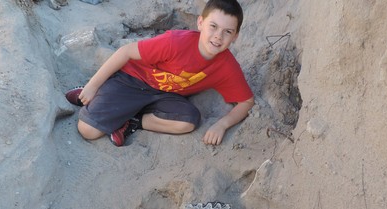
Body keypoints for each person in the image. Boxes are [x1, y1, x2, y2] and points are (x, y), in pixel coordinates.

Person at [67, 0, 254, 147]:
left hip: (164, 96)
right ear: (200, 23)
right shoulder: (175, 42)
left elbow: (246, 102)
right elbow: (125, 52)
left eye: (227, 32)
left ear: (235, 36)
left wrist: (222, 124)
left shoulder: (227, 66)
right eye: (213, 26)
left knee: (188, 122)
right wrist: (93, 85)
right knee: (88, 130)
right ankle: (94, 92)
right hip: (132, 80)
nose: (218, 36)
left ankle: (132, 122)